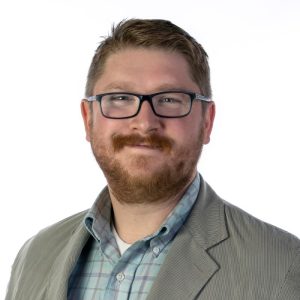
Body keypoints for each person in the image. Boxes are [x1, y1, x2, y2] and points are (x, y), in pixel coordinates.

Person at [5, 19, 300, 300]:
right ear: (88, 119)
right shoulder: (34, 256)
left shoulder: (283, 266)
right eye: (120, 98)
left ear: (206, 122)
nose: (145, 123)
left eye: (169, 99)